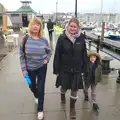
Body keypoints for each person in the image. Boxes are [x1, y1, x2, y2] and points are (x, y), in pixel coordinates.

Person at [53, 18, 88, 119]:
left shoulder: (81, 38)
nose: (73, 28)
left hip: (77, 69)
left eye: (75, 27)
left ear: (78, 28)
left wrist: (85, 68)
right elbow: (57, 55)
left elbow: (84, 54)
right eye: (71, 26)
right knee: (64, 87)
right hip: (64, 69)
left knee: (74, 89)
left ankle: (72, 108)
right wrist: (56, 69)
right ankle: (62, 95)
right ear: (67, 26)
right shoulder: (62, 38)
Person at [19, 18, 51, 120]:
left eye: (38, 24)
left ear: (40, 27)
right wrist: (24, 69)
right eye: (34, 24)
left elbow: (49, 52)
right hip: (29, 68)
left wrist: (47, 60)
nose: (36, 26)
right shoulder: (25, 39)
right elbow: (21, 55)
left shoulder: (44, 40)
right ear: (30, 26)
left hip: (42, 67)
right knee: (32, 85)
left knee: (41, 88)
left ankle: (40, 109)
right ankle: (36, 95)